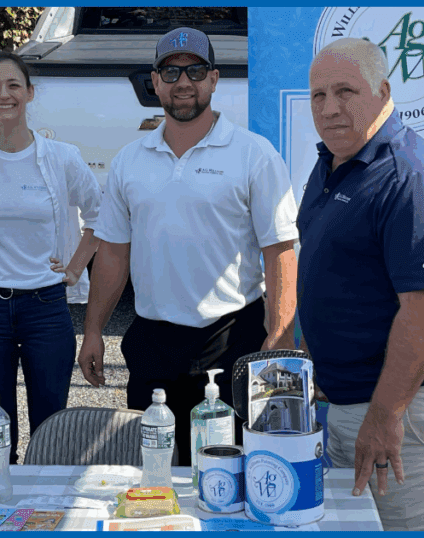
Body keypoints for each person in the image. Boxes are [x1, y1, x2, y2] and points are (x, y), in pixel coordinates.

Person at [77, 27, 299, 466]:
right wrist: (94, 329)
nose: (184, 82)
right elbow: (113, 254)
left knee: (231, 469)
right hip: (152, 341)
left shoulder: (254, 154)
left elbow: (280, 250)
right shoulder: (129, 161)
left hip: (233, 338)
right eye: (171, 71)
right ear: (155, 82)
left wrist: (281, 334)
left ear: (214, 80)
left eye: (195, 71)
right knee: (155, 474)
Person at [299, 38, 424, 531]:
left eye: (346, 91)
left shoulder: (413, 175)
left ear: (383, 91)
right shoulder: (334, 161)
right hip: (360, 402)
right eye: (318, 96)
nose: (329, 108)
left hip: (413, 408)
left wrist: (386, 417)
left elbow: (423, 310)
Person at [0, 51, 102, 464]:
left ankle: (44, 519)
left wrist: (76, 266)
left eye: (12, 85)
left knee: (49, 430)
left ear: (29, 92)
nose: (3, 95)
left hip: (46, 307)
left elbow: (101, 217)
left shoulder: (63, 158)